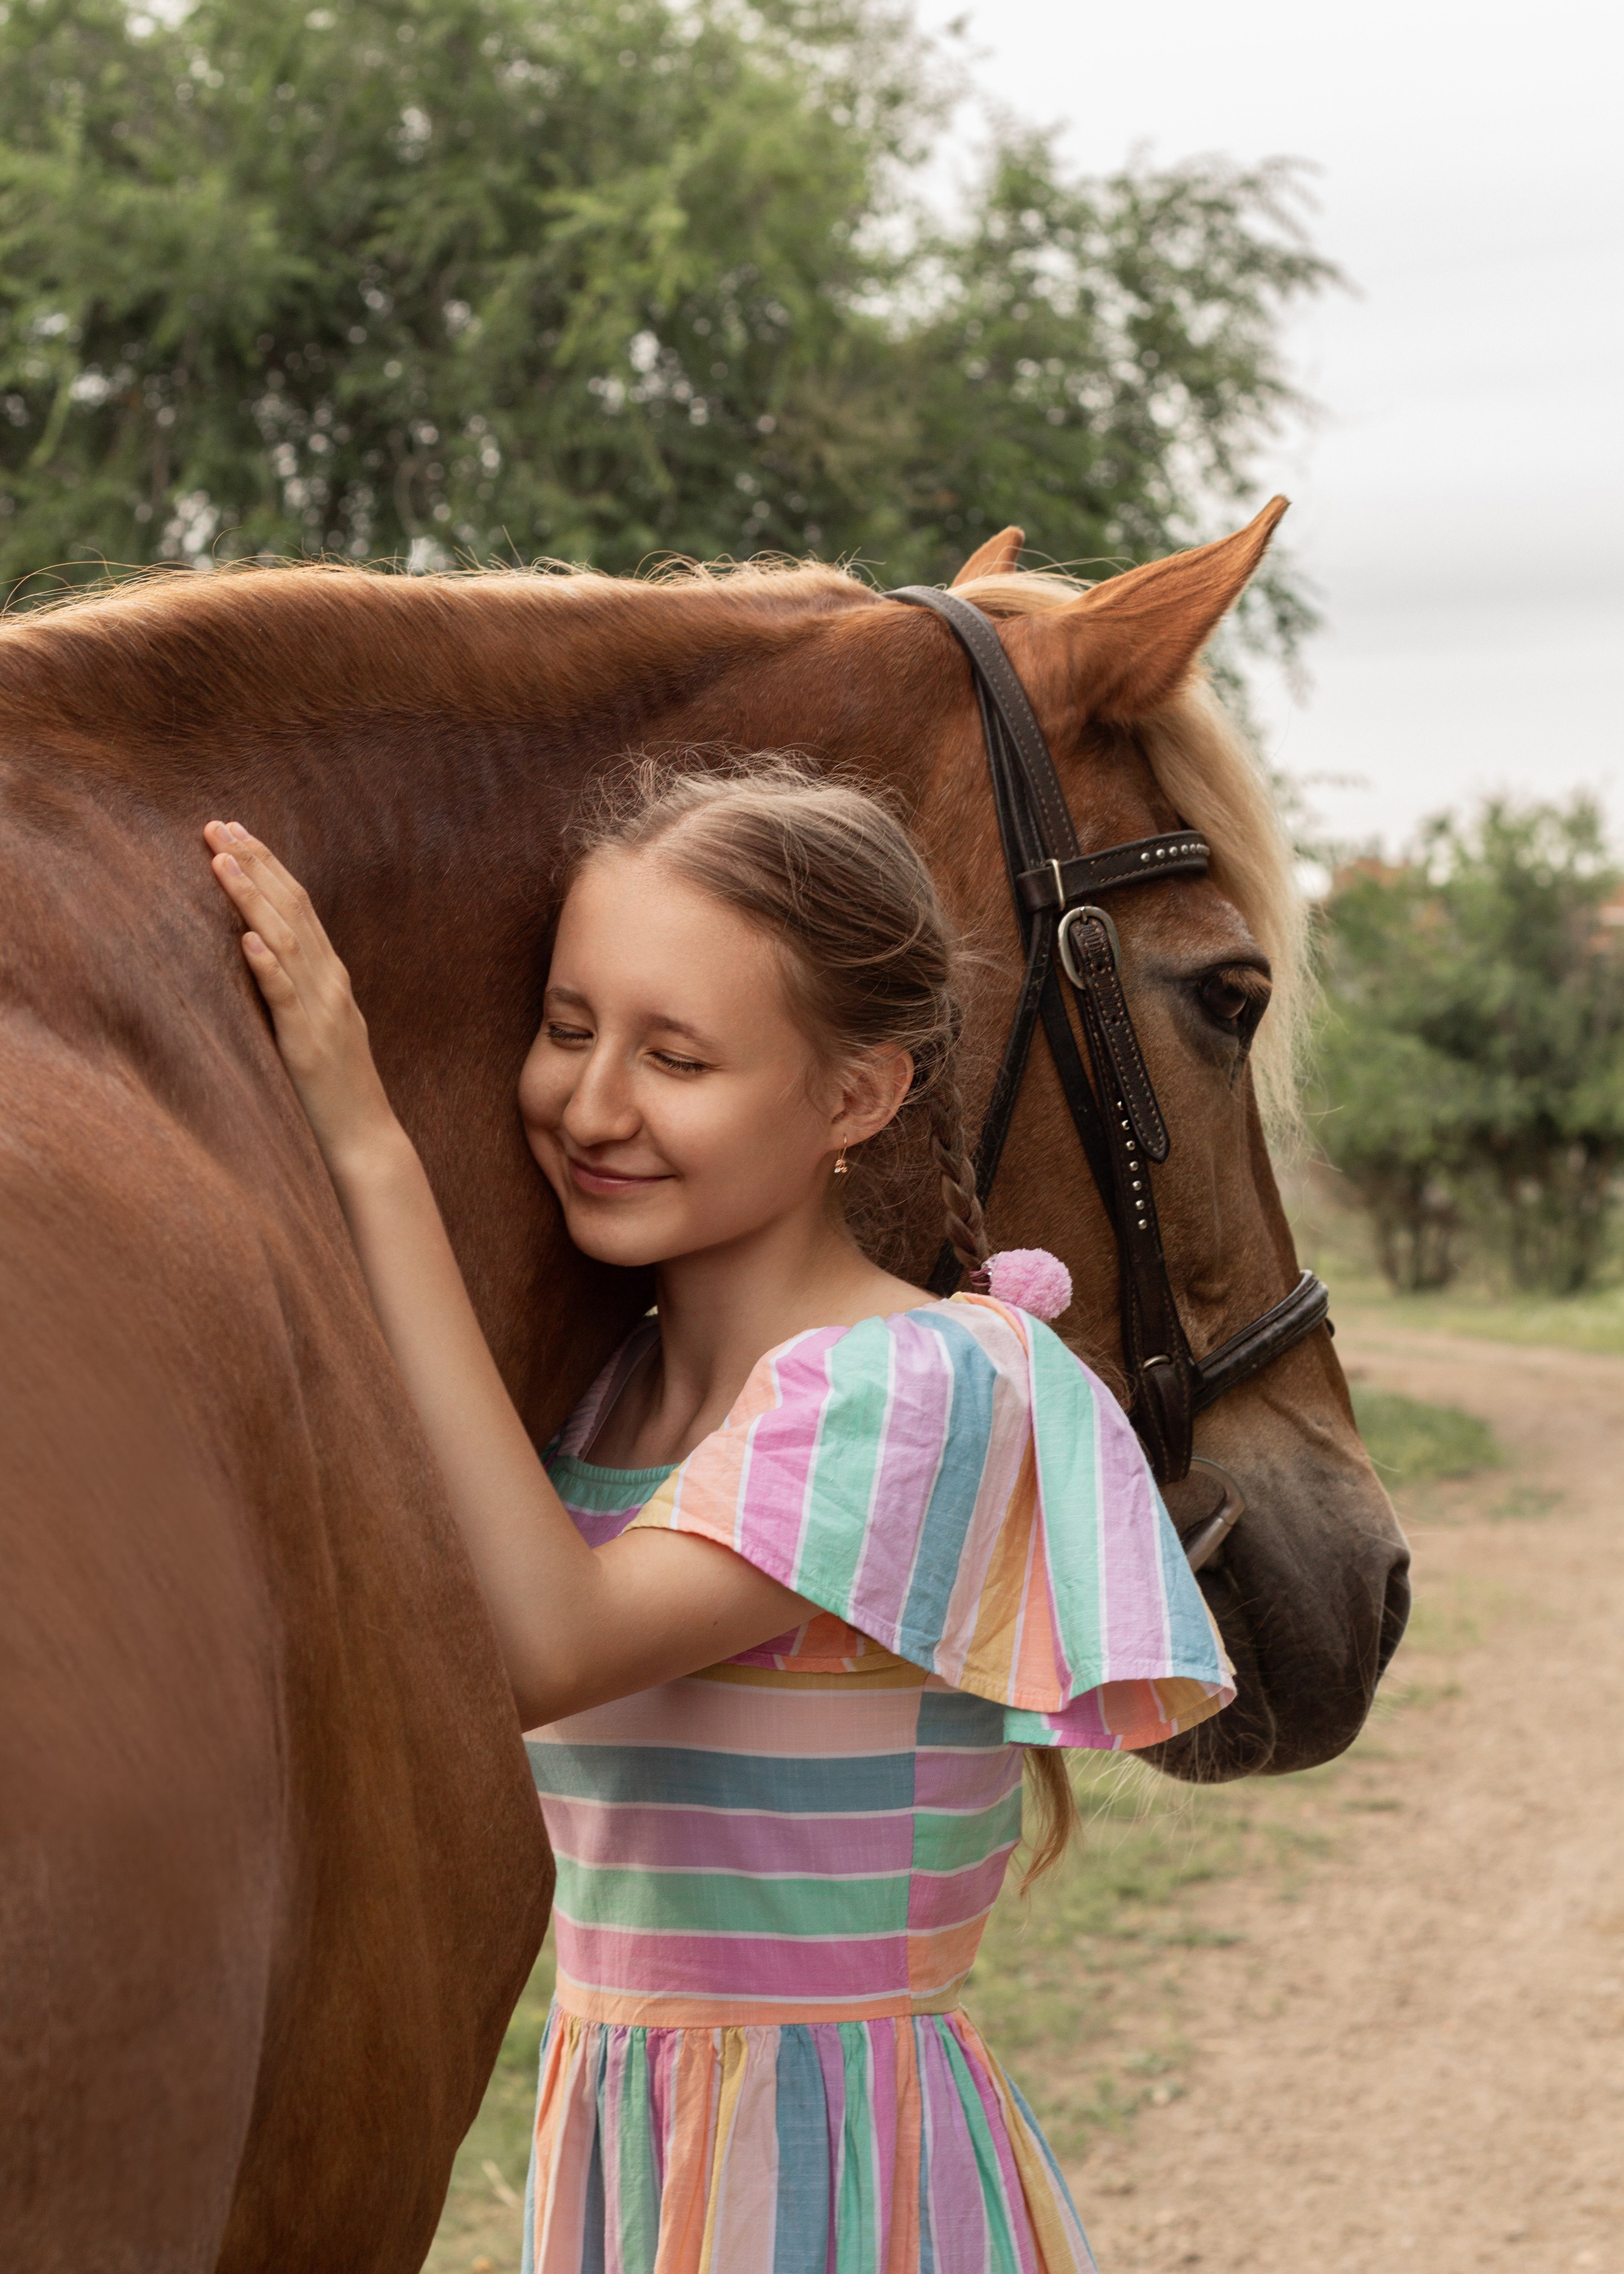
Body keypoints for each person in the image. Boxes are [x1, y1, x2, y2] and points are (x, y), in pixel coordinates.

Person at [204, 758, 1233, 2274]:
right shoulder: (602, 1412)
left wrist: (366, 1134)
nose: (591, 1103)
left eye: (675, 1058)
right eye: (567, 1029)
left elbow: (548, 1645)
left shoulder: (919, 1385)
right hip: (629, 2149)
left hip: (832, 2180)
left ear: (855, 1096)